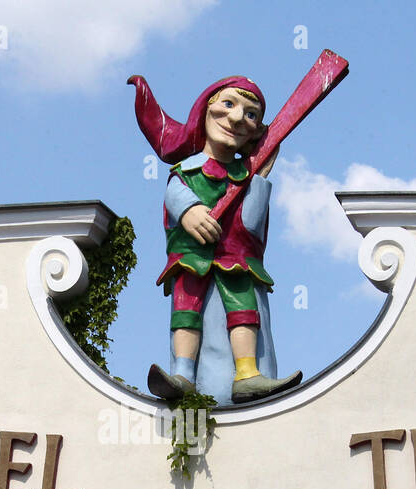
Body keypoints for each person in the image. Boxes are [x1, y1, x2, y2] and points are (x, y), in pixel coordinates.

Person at [129, 74, 302, 405]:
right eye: (229, 104)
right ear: (206, 108)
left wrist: (260, 179)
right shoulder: (189, 170)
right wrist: (189, 210)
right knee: (185, 313)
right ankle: (182, 374)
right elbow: (175, 194)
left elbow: (250, 225)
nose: (237, 118)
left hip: (235, 261)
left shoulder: (244, 177)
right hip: (192, 260)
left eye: (251, 114)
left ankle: (248, 373)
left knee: (244, 310)